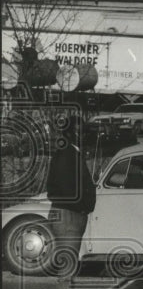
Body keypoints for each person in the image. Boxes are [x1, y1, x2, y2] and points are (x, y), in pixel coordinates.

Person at [46, 114, 96, 275]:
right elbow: (66, 189)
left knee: (68, 264)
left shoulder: (70, 153)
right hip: (69, 215)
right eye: (79, 132)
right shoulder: (67, 155)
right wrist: (82, 208)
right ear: (68, 134)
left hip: (70, 214)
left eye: (84, 132)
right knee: (68, 268)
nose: (83, 136)